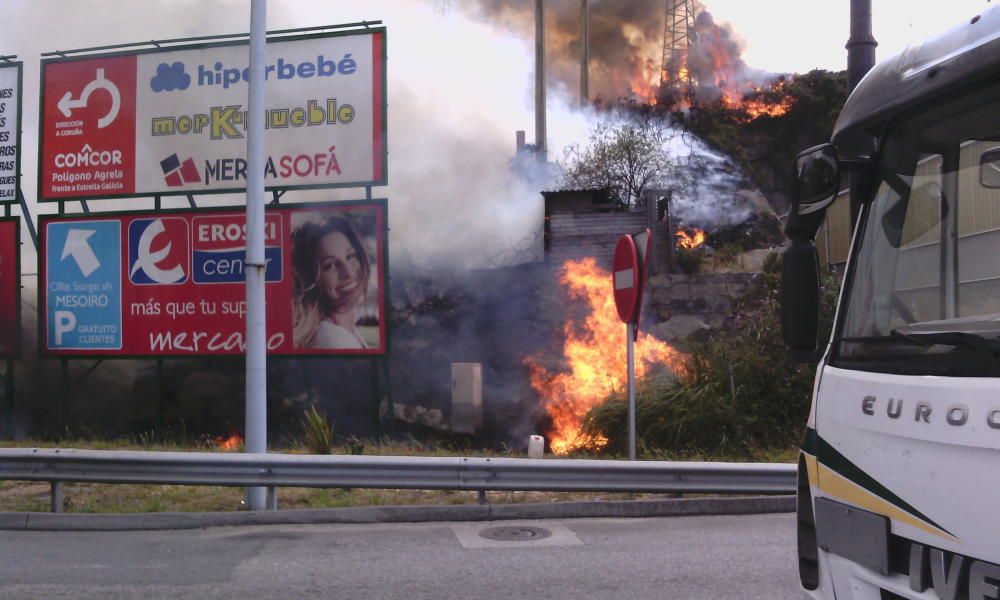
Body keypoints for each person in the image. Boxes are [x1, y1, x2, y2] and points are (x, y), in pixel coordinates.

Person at [291, 215, 372, 349]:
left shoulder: (344, 331)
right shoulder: (333, 338)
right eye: (330, 265)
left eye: (350, 256)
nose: (349, 273)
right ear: (311, 279)